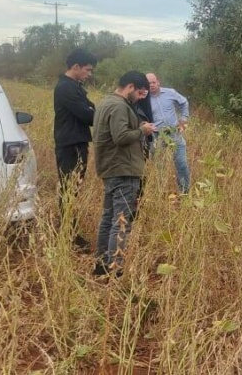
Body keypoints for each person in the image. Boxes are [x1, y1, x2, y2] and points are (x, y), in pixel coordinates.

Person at [92, 71, 156, 277]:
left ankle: (101, 265)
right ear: (129, 87)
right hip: (123, 169)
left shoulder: (106, 102)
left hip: (111, 168)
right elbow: (120, 136)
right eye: (139, 93)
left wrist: (137, 126)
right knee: (121, 222)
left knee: (109, 217)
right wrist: (143, 131)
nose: (139, 98)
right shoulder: (120, 106)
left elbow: (114, 132)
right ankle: (115, 271)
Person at [53, 48, 97, 252]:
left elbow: (91, 107)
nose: (89, 74)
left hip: (77, 142)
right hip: (69, 145)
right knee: (68, 190)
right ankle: (67, 236)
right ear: (76, 67)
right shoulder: (65, 88)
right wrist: (89, 110)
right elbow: (88, 115)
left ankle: (69, 231)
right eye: (88, 70)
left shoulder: (74, 86)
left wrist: (90, 109)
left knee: (74, 189)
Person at [146, 73, 191, 194]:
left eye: (153, 82)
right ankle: (161, 193)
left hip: (174, 133)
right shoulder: (143, 99)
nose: (151, 85)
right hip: (156, 136)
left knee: (182, 164)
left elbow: (184, 102)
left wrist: (184, 118)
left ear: (158, 82)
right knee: (159, 166)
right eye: (148, 83)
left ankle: (185, 193)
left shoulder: (170, 92)